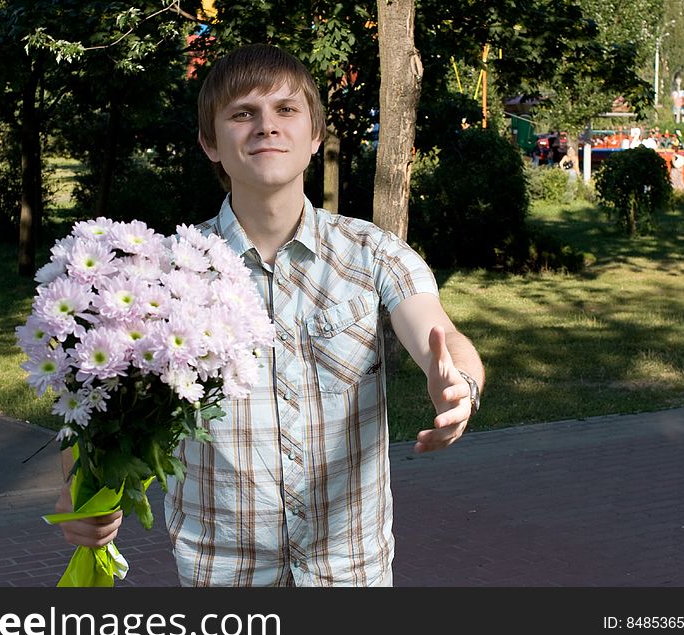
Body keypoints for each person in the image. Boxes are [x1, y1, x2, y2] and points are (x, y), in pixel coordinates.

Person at [54, 44, 485, 587]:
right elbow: (97, 404)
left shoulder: (374, 254)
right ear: (210, 143)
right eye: (242, 113)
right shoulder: (160, 279)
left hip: (349, 574)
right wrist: (81, 493)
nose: (266, 127)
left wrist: (459, 386)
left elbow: (439, 333)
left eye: (286, 110)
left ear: (314, 136)